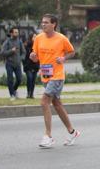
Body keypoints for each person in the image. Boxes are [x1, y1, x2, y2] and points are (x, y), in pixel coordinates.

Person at [30, 14, 80, 148]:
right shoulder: (39, 38)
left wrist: (64, 58)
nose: (43, 25)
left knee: (44, 101)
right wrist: (33, 56)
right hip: (46, 75)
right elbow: (35, 58)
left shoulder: (61, 38)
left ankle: (48, 136)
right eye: (42, 22)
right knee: (57, 104)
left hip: (57, 76)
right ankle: (72, 132)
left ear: (54, 24)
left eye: (46, 22)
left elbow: (72, 52)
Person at [0, 27, 26, 100]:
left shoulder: (19, 41)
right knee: (10, 79)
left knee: (19, 79)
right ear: (11, 33)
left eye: (17, 32)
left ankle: (14, 90)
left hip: (17, 64)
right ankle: (12, 95)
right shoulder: (7, 42)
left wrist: (21, 58)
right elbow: (2, 52)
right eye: (15, 32)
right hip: (9, 64)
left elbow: (24, 52)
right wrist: (11, 51)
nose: (17, 34)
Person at [22, 32, 39, 99]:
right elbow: (24, 56)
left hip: (35, 65)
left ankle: (31, 94)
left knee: (33, 80)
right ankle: (28, 93)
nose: (35, 38)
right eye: (34, 37)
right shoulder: (26, 46)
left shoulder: (38, 46)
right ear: (30, 38)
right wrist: (25, 64)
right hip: (28, 65)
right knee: (30, 78)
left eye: (36, 37)